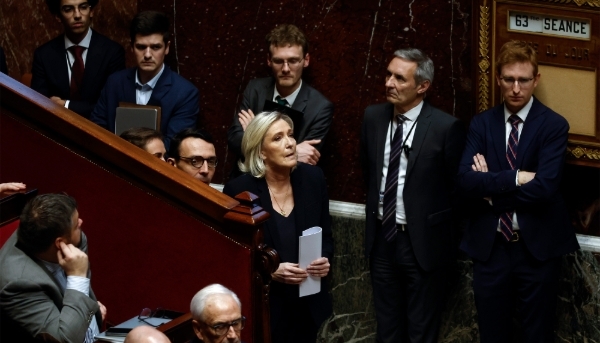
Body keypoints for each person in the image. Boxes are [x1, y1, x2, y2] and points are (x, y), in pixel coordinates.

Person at [457, 40, 580, 343]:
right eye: (509, 79)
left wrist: (491, 192)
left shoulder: (553, 125)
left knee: (536, 335)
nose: (515, 88)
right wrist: (516, 177)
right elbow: (465, 180)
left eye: (523, 80)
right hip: (492, 249)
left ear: (535, 80)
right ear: (498, 78)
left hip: (536, 249)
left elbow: (545, 188)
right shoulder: (481, 124)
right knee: (491, 333)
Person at [359, 48, 465, 342]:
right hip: (382, 239)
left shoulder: (445, 127)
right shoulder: (373, 117)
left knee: (421, 331)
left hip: (422, 244)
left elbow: (457, 190)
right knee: (387, 328)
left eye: (399, 78)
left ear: (422, 86)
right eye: (388, 74)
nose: (389, 83)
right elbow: (369, 171)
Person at [223, 111, 333, 343]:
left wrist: (324, 260)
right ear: (261, 151)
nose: (290, 143)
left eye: (291, 135)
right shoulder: (240, 191)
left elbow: (327, 236)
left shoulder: (313, 179)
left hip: (307, 303)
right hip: (266, 307)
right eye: (278, 138)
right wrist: (270, 272)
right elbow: (235, 258)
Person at [227, 24, 333, 173]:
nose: (285, 69)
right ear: (269, 61)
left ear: (306, 60)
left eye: (293, 61)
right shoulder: (255, 89)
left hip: (290, 186)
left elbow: (307, 158)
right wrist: (293, 152)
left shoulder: (320, 107)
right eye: (278, 61)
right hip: (247, 181)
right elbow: (234, 139)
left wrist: (254, 136)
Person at [0, 193, 106, 342]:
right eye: (76, 225)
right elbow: (64, 340)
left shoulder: (72, 240)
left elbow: (83, 298)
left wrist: (89, 310)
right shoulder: (17, 284)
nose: (81, 222)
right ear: (59, 243)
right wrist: (78, 277)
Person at [90, 11, 199, 151]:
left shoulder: (185, 93)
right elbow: (97, 128)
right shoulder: (114, 83)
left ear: (167, 48)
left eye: (155, 47)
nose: (147, 55)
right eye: (141, 47)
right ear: (131, 47)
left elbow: (175, 146)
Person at [31, 0, 125, 118]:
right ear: (57, 16)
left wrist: (66, 105)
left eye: (83, 7)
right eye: (68, 9)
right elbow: (38, 105)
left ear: (91, 11)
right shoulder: (44, 55)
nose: (77, 15)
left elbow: (111, 106)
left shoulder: (112, 52)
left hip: (98, 129)